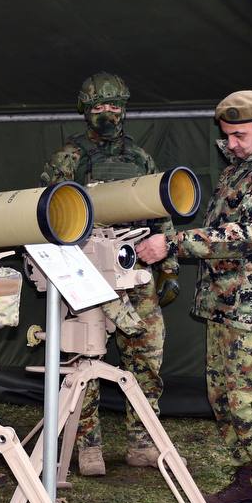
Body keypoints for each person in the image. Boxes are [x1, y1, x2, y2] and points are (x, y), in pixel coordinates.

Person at [135, 90, 252, 503]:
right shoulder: (244, 165)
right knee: (225, 396)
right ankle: (248, 481)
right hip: (227, 303)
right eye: (227, 135)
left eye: (238, 135)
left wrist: (172, 245)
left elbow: (251, 235)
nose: (230, 143)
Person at [40, 72, 180, 477]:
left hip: (134, 270)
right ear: (85, 109)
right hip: (86, 274)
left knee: (147, 359)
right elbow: (49, 216)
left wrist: (167, 269)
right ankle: (88, 447)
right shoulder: (67, 157)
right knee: (84, 361)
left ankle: (142, 442)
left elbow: (160, 212)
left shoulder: (140, 159)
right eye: (99, 106)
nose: (108, 113)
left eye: (114, 105)